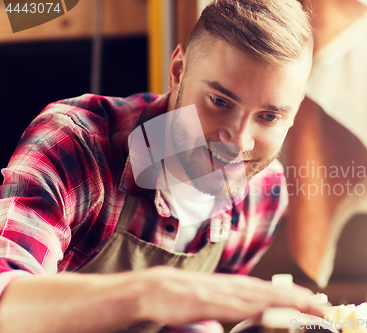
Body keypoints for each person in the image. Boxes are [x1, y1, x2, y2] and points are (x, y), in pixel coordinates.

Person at [0, 0, 324, 332]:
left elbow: (188, 314)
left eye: (269, 117)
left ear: (294, 112)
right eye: (219, 101)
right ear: (178, 71)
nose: (239, 143)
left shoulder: (263, 193)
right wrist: (151, 291)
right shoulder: (76, 144)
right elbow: (6, 304)